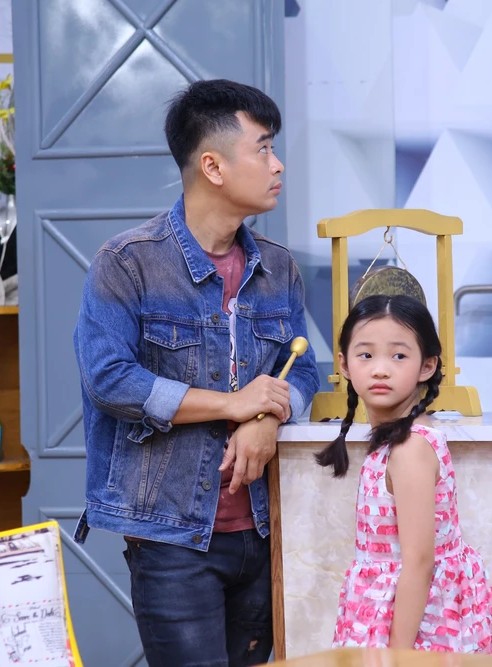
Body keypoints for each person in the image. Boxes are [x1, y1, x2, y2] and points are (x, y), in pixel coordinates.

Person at [72, 79, 319, 666]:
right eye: (263, 148)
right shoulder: (126, 263)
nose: (277, 164)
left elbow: (304, 370)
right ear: (212, 165)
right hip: (171, 540)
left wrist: (267, 417)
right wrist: (232, 405)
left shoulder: (278, 268)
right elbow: (110, 380)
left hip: (264, 531)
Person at [315, 294, 492, 653]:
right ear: (343, 364)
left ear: (427, 365)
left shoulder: (410, 449)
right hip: (390, 611)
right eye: (366, 355)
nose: (380, 369)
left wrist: (399, 654)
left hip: (416, 628)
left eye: (399, 356)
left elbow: (419, 563)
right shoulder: (397, 441)